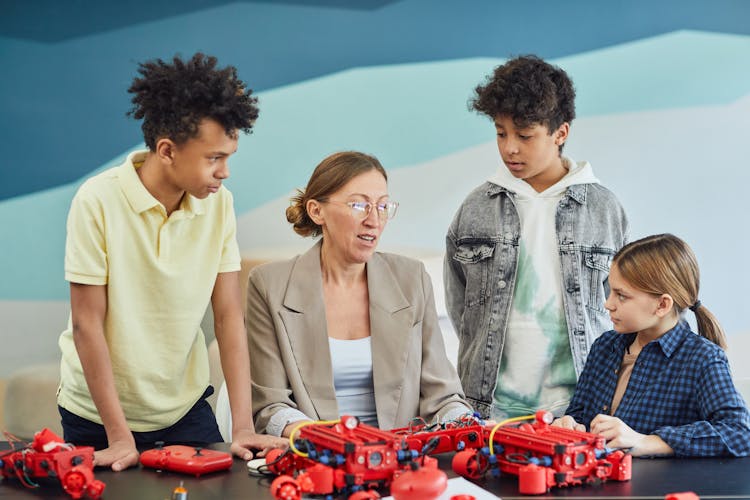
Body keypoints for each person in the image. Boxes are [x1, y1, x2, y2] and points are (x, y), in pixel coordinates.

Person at [57, 52, 285, 471]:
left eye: (229, 156)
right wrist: (120, 436)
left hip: (184, 409)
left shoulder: (219, 206)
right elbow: (86, 323)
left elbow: (229, 317)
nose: (225, 172)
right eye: (214, 158)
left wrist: (242, 427)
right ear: (167, 150)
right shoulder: (97, 200)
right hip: (98, 418)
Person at [444, 55, 629, 421]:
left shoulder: (605, 208)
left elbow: (621, 309)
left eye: (525, 135)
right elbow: (459, 308)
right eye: (500, 133)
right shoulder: (475, 207)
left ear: (561, 132)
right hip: (487, 408)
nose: (510, 147)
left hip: (582, 408)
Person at [246, 151, 472, 437]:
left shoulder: (411, 279)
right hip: (316, 455)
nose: (374, 220)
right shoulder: (268, 284)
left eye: (383, 206)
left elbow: (442, 396)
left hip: (398, 457)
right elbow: (271, 406)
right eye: (358, 205)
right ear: (317, 211)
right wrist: (330, 444)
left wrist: (467, 423)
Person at [553, 234, 750, 457]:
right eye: (611, 291)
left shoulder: (703, 359)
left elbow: (739, 433)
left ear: (662, 304)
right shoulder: (604, 346)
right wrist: (570, 424)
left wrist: (646, 441)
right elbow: (579, 413)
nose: (608, 304)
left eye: (621, 296)